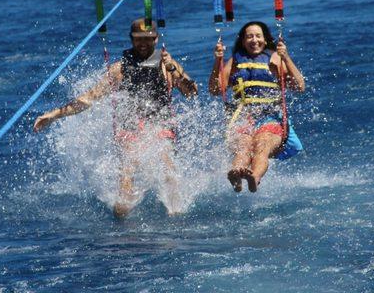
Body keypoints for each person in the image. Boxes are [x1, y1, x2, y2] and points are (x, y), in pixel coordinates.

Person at [34, 18, 198, 218]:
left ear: (156, 39)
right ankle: (122, 216)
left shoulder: (167, 65)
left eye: (147, 38)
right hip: (130, 127)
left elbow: (191, 92)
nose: (143, 43)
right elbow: (88, 99)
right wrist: (55, 114)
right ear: (131, 39)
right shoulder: (119, 69)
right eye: (138, 39)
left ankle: (175, 214)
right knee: (128, 167)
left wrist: (172, 68)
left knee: (167, 163)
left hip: (159, 124)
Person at [208, 21, 305, 192]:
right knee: (244, 147)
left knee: (262, 145)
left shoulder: (275, 58)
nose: (254, 40)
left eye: (258, 36)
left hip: (270, 117)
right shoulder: (235, 61)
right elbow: (215, 90)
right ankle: (236, 174)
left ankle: (255, 176)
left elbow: (299, 87)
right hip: (242, 117)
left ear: (265, 39)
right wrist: (217, 61)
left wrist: (286, 58)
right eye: (249, 36)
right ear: (243, 41)